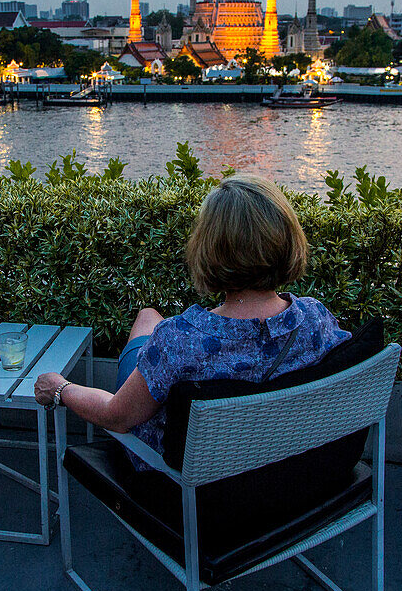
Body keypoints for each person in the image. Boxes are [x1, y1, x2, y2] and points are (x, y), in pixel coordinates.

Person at [34, 173, 351, 469]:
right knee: (149, 320)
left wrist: (60, 388)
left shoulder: (180, 341)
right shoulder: (315, 319)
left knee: (148, 324)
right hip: (284, 472)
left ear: (210, 249)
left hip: (189, 485)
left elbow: (116, 417)